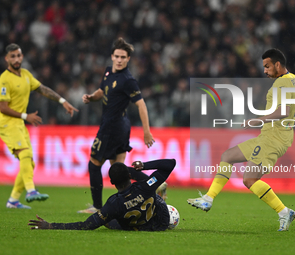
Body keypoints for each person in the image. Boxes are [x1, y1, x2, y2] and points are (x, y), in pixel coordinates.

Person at [188, 48, 295, 231]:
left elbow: (284, 112)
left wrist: (257, 120)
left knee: (249, 179)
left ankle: (284, 212)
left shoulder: (282, 83)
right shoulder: (294, 80)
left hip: (274, 138)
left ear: (278, 65)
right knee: (227, 156)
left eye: (267, 66)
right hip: (268, 136)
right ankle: (208, 199)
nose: (264, 71)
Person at [78, 38, 157, 213]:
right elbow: (102, 91)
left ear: (128, 59)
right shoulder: (108, 73)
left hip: (112, 127)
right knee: (118, 169)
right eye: (117, 56)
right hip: (120, 125)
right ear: (112, 57)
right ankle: (154, 183)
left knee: (94, 164)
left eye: (123, 57)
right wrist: (92, 97)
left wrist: (146, 132)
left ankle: (97, 207)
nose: (120, 60)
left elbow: (141, 104)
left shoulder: (128, 80)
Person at [0, 43, 78, 209]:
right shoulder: (4, 79)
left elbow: (42, 89)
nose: (16, 59)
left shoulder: (26, 75)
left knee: (29, 163)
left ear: (22, 57)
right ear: (7, 59)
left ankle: (13, 200)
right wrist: (25, 116)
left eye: (18, 55)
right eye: (12, 56)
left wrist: (62, 101)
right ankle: (31, 191)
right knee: (26, 154)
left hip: (19, 123)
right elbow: (3, 107)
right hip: (6, 123)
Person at [28, 159, 176, 231]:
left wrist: (51, 226)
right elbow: (170, 163)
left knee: (106, 219)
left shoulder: (113, 203)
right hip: (156, 225)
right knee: (156, 197)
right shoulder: (146, 185)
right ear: (130, 175)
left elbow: (86, 225)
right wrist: (144, 166)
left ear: (112, 182)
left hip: (132, 226)